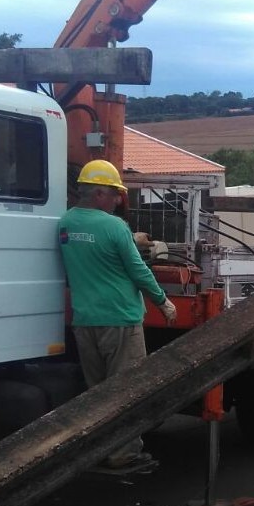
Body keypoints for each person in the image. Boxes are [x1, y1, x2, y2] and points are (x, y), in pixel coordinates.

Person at [59, 159, 177, 469]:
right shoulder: (114, 227)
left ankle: (99, 449)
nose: (117, 200)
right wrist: (163, 301)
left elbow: (90, 249)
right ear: (99, 193)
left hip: (85, 321)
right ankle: (123, 452)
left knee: (97, 392)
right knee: (126, 390)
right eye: (114, 194)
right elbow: (138, 271)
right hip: (120, 319)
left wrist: (128, 240)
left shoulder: (66, 224)